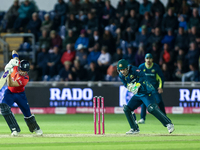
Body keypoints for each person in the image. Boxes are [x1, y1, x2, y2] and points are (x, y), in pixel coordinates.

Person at [117, 59, 174, 134]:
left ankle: (169, 124)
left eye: (124, 69)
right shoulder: (121, 75)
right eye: (121, 70)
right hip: (138, 94)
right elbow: (125, 84)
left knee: (151, 108)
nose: (123, 71)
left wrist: (137, 85)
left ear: (127, 67)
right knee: (127, 109)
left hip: (146, 92)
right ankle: (134, 129)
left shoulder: (133, 69)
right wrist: (129, 87)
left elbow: (143, 76)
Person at [0, 50, 43, 136]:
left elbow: (11, 83)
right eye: (23, 70)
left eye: (26, 71)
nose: (24, 72)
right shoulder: (16, 64)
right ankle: (14, 129)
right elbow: (14, 52)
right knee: (4, 108)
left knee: (27, 113)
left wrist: (8, 71)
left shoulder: (25, 78)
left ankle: (35, 128)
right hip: (10, 93)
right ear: (19, 67)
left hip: (20, 95)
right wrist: (13, 60)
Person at [137, 53, 166, 124]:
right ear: (145, 59)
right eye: (147, 58)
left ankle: (164, 117)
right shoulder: (141, 67)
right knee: (143, 102)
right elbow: (137, 77)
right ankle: (142, 119)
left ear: (152, 59)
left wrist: (160, 87)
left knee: (159, 102)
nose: (148, 60)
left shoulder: (156, 67)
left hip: (154, 89)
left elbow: (161, 78)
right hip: (145, 89)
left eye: (150, 58)